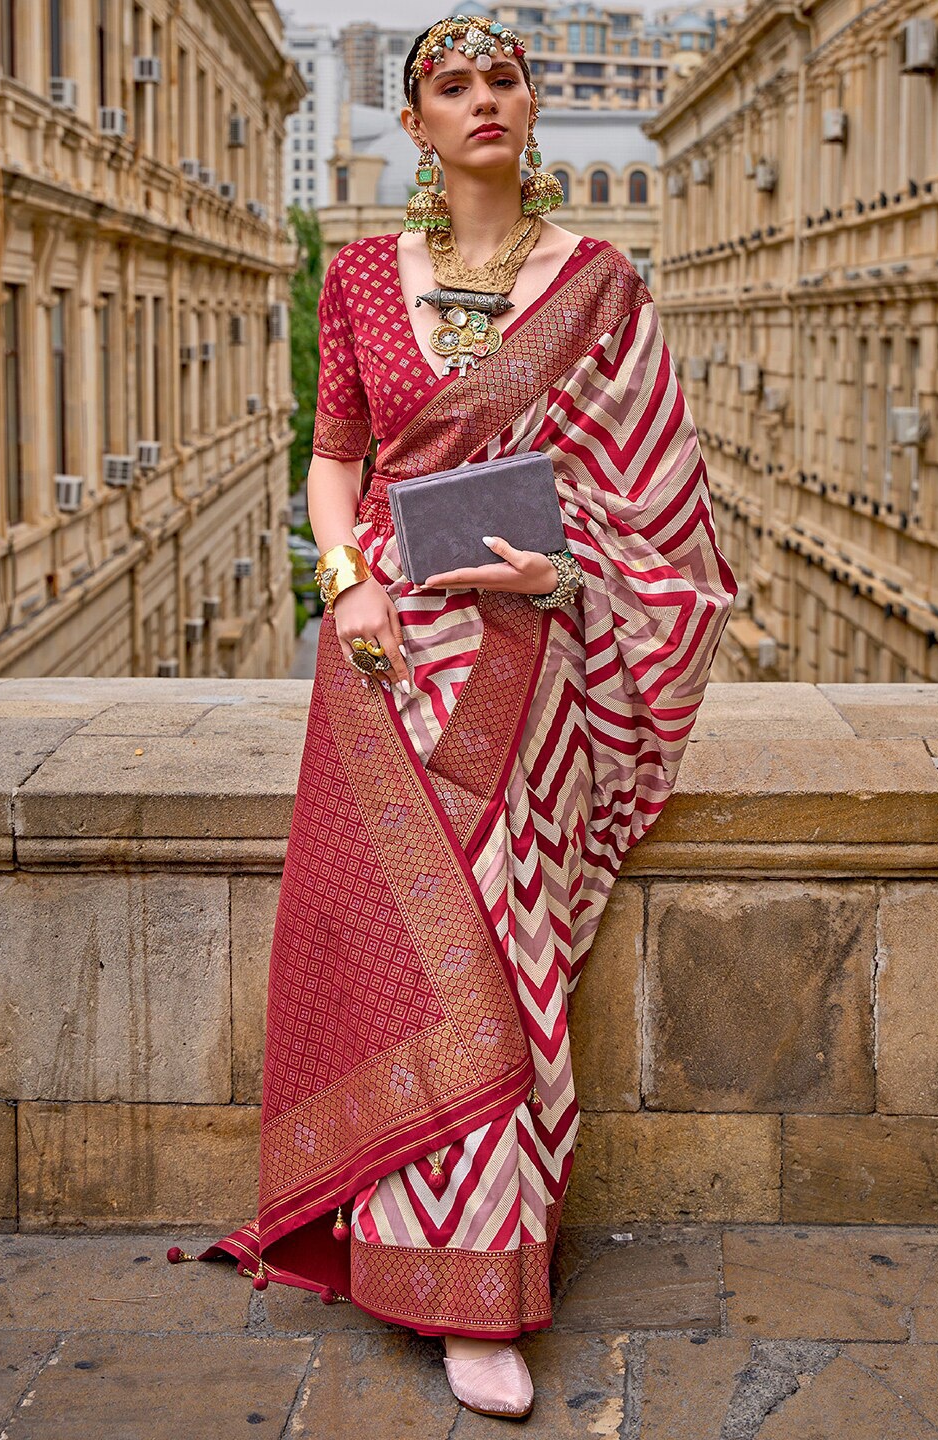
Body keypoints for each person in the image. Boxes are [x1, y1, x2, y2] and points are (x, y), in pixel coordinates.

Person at [167, 11, 737, 1421]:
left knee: (508, 956)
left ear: (533, 108)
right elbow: (334, 461)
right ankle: (405, 1252)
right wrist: (348, 589)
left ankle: (488, 1279)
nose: (483, 98)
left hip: (529, 673)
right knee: (409, 956)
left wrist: (569, 571)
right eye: (448, 84)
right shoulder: (363, 276)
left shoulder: (601, 285)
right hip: (386, 670)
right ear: (414, 126)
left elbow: (664, 501)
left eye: (503, 77)